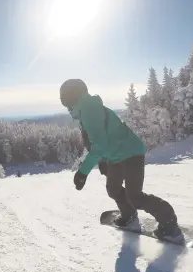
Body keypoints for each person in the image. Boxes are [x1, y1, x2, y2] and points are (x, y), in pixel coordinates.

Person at [60, 78, 184, 243]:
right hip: (115, 156)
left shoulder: (89, 109)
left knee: (135, 197)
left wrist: (83, 172)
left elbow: (100, 144)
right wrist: (103, 160)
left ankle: (169, 223)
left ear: (72, 97)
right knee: (113, 188)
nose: (66, 106)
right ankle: (129, 215)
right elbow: (103, 139)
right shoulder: (86, 110)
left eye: (65, 100)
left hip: (131, 153)